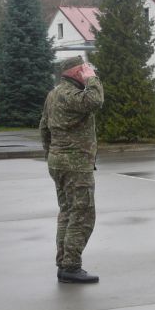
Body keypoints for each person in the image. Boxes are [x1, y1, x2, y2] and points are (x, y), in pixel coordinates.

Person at [40, 56, 104, 283]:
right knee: (82, 214)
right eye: (84, 68)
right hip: (75, 164)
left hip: (59, 162)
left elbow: (44, 127)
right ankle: (71, 266)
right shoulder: (70, 95)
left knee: (67, 213)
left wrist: (51, 154)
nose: (88, 70)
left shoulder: (53, 94)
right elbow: (95, 100)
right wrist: (92, 79)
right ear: (77, 72)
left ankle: (64, 264)